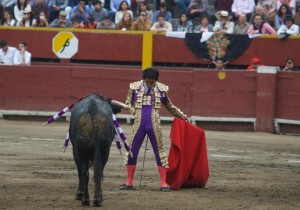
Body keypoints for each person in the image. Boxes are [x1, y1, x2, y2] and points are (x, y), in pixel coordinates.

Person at [120, 67, 188, 191]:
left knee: (159, 152)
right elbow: (128, 104)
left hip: (154, 124)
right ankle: (129, 182)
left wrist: (182, 116)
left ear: (156, 81)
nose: (149, 84)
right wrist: (135, 112)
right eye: (147, 81)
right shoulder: (134, 87)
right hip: (139, 124)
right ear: (143, 79)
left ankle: (163, 183)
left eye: (152, 82)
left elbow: (169, 106)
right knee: (132, 150)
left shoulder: (161, 89)